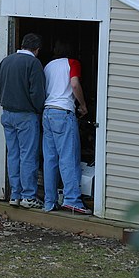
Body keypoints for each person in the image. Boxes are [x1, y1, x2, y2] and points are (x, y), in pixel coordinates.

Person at [0, 33, 46, 209]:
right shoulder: (33, 63)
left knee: (13, 154)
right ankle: (28, 196)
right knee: (28, 155)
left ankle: (15, 194)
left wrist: (5, 102)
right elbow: (37, 93)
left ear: (22, 45)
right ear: (37, 49)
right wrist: (38, 110)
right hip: (26, 115)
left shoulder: (6, 61)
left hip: (7, 114)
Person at [42, 40, 92, 215]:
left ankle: (49, 201)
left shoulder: (48, 66)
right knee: (68, 157)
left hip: (47, 112)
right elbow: (74, 84)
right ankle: (72, 200)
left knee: (50, 159)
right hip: (63, 113)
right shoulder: (72, 63)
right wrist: (83, 105)